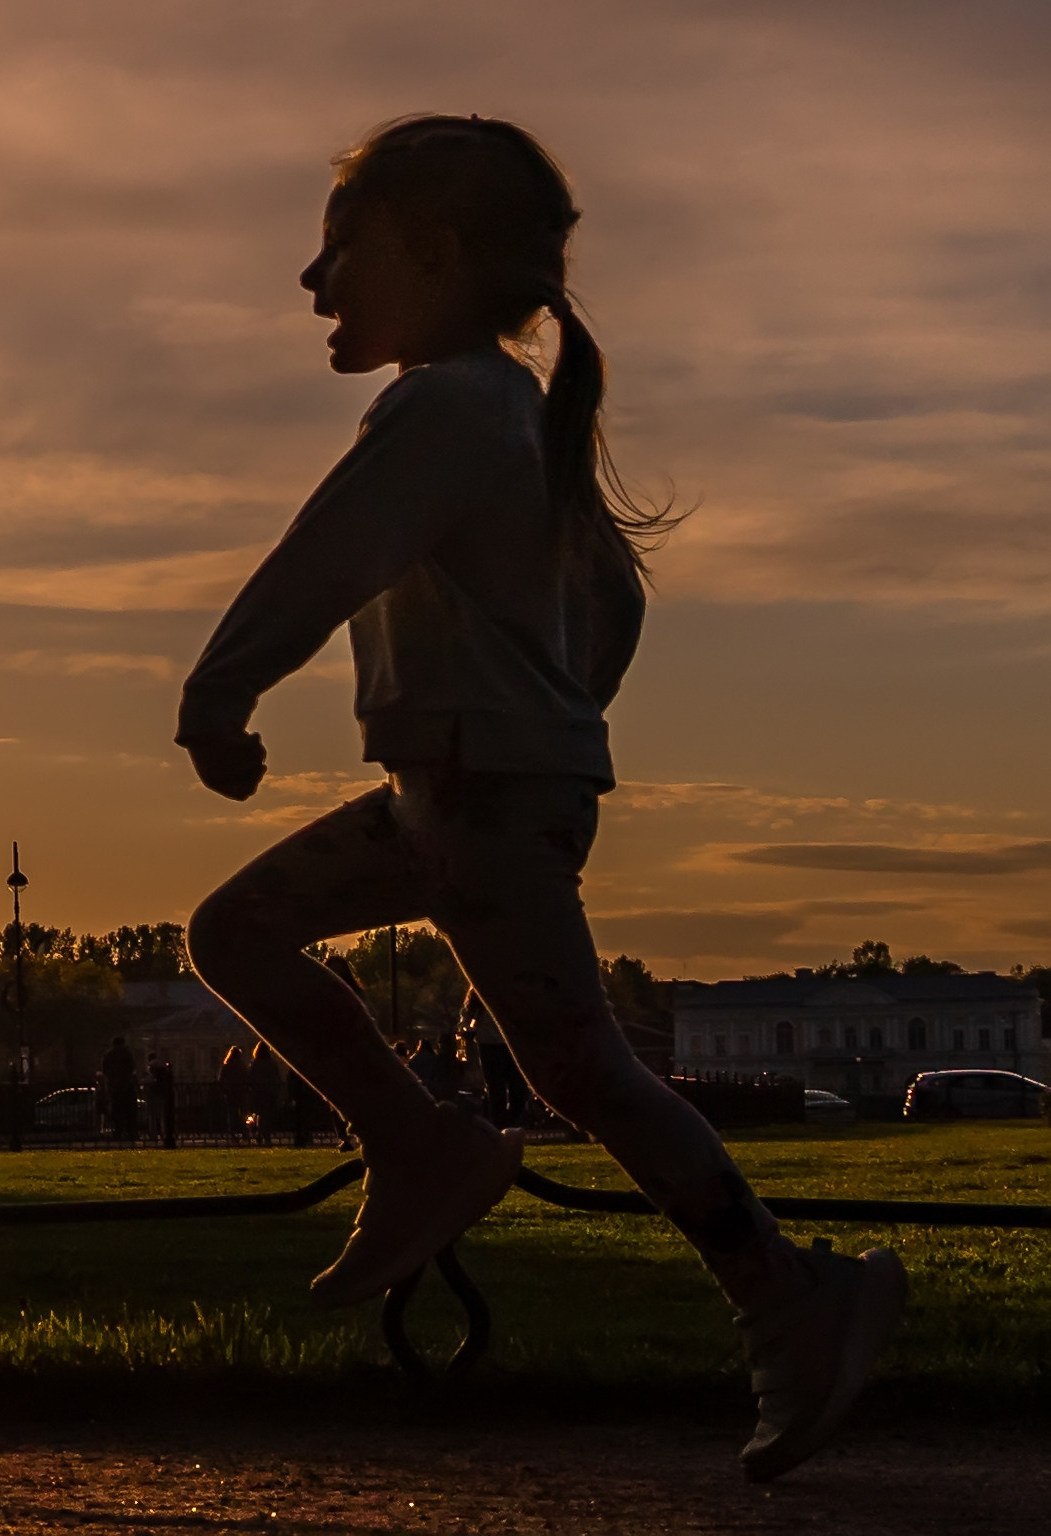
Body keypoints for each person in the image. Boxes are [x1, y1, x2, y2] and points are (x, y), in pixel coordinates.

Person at [173, 115, 902, 1481]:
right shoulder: (513, 413)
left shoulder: (447, 404)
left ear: (433, 256)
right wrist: (559, 719)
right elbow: (611, 604)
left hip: (483, 801)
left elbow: (328, 553)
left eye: (343, 250)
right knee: (242, 937)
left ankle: (788, 1294)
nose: (313, 281)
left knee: (587, 1073)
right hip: (469, 796)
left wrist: (220, 694)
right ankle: (424, 1148)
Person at [464, 988, 529, 1129]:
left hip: (493, 1043)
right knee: (508, 1087)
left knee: (499, 1088)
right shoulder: (504, 988)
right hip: (501, 1043)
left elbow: (468, 1018)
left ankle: (503, 1125)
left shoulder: (480, 991)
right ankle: (507, 1125)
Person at [99, 1035, 138, 1143]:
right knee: (129, 1110)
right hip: (126, 1085)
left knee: (116, 1110)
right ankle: (131, 1132)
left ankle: (118, 1131)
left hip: (114, 1086)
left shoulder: (108, 1055)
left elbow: (105, 1069)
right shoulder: (127, 1053)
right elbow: (131, 1067)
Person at [246, 1042, 286, 1147]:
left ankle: (258, 1132)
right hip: (269, 1092)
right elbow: (276, 1077)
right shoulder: (272, 1063)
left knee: (258, 1114)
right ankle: (265, 1134)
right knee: (267, 1115)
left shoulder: (255, 1063)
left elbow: (250, 1077)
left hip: (257, 1092)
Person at [216, 1044, 251, 1144]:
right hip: (241, 1092)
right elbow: (247, 1078)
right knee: (243, 1114)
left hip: (230, 1092)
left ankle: (232, 1133)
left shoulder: (226, 1066)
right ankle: (245, 1132)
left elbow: (220, 1079)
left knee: (231, 1114)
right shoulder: (242, 1066)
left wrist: (224, 1090)